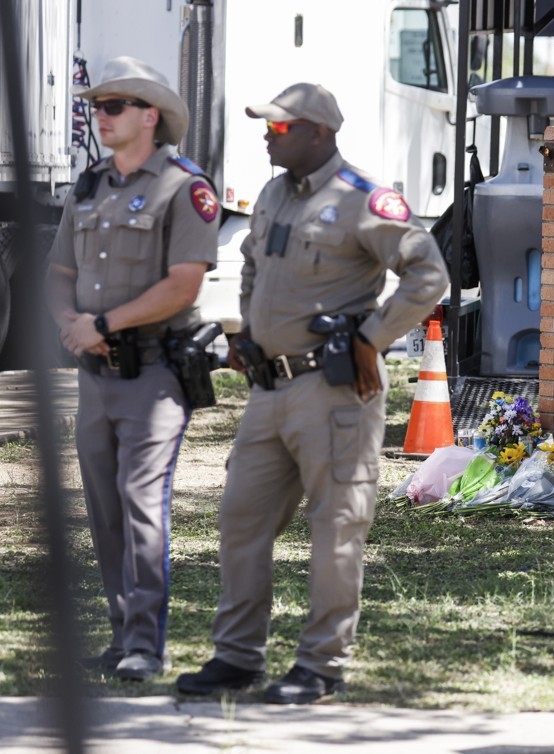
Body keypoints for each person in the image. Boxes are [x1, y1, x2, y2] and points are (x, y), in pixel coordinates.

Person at [176, 83, 447, 704]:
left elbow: (427, 274)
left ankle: (321, 666)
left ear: (318, 133)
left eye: (278, 128)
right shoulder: (273, 193)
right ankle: (238, 658)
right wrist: (246, 331)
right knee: (241, 520)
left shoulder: (362, 200)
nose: (267, 137)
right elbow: (250, 262)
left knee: (336, 528)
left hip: (334, 393)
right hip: (268, 390)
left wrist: (372, 338)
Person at [46, 57, 220, 681]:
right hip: (94, 377)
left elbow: (183, 285)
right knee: (103, 508)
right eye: (97, 106)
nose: (102, 116)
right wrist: (70, 322)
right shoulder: (89, 184)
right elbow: (59, 273)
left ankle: (146, 645)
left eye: (114, 106)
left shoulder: (183, 186)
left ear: (150, 116)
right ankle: (122, 639)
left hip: (153, 375)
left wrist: (104, 325)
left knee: (142, 501)